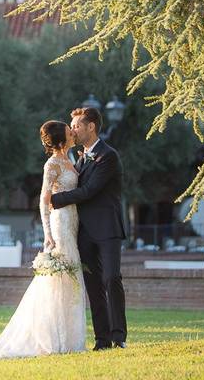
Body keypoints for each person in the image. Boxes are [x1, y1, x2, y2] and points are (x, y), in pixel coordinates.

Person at [0, 120, 86, 360]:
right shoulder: (52, 164)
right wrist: (48, 234)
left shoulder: (71, 160)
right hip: (60, 222)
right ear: (61, 141)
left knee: (72, 278)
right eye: (68, 131)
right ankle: (54, 338)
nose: (73, 132)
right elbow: (44, 199)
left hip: (73, 222)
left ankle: (72, 338)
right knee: (59, 279)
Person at [50, 106, 128, 350]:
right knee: (93, 285)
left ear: (90, 127)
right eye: (72, 127)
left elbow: (90, 191)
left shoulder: (108, 156)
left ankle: (119, 336)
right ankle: (102, 340)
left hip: (107, 228)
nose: (72, 130)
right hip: (83, 232)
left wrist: (55, 200)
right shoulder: (80, 158)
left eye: (76, 126)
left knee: (111, 278)